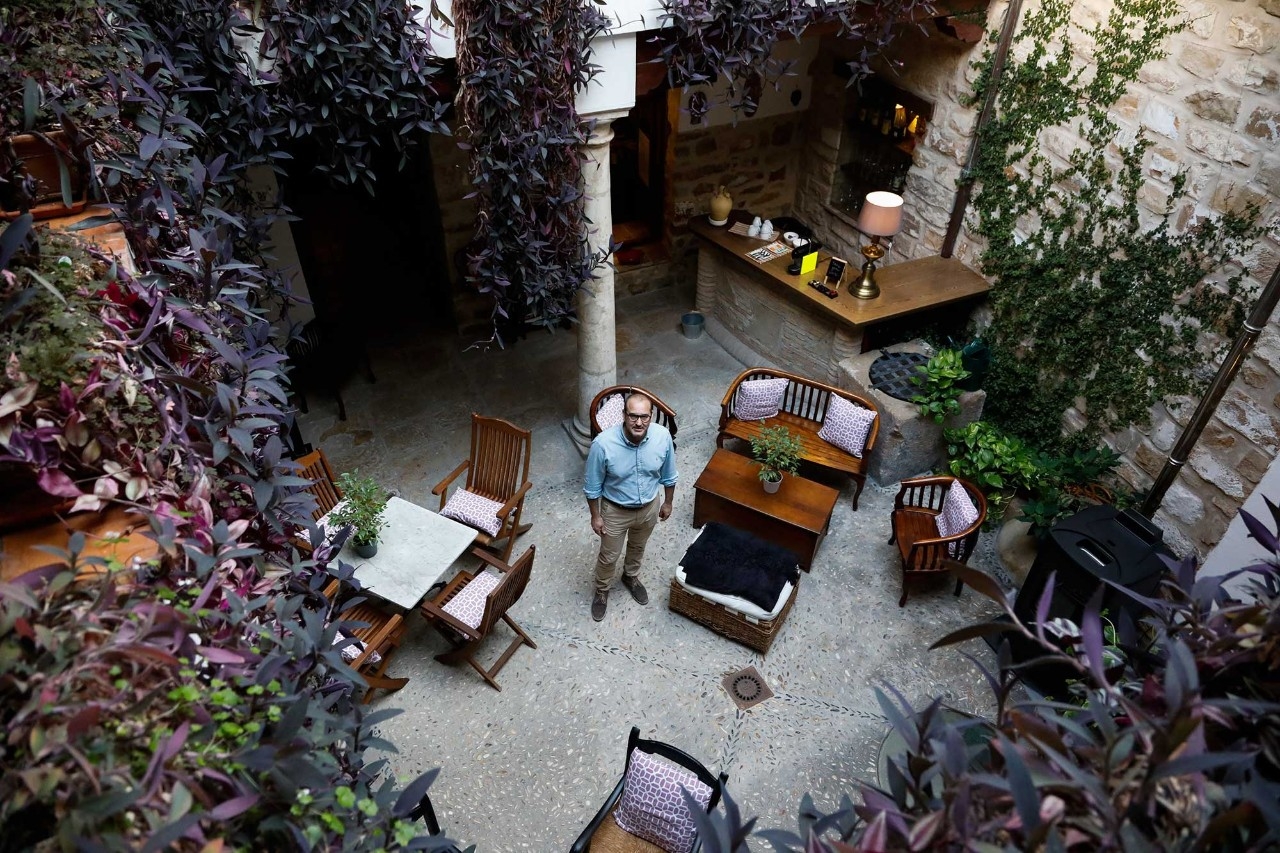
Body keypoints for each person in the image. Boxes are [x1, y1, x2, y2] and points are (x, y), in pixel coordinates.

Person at [583, 392, 677, 621]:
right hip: (615, 511)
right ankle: (602, 589)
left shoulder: (662, 437)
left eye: (644, 417)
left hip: (648, 508)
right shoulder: (603, 444)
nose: (638, 422)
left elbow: (669, 475)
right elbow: (592, 486)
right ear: (623, 415)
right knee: (608, 556)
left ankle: (630, 576)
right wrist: (596, 517)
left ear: (651, 416)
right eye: (633, 416)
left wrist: (667, 502)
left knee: (638, 546)